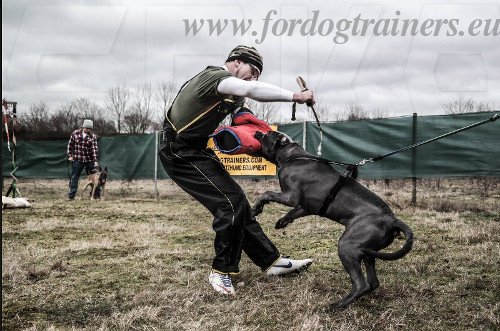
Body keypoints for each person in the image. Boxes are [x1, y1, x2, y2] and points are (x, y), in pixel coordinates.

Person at [159, 45, 316, 295]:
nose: (254, 78)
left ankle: (271, 261)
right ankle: (221, 272)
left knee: (238, 202)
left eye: (257, 74)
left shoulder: (234, 92)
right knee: (229, 204)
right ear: (236, 62)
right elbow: (250, 89)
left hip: (197, 149)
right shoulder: (214, 78)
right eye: (252, 70)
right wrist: (295, 96)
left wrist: (264, 135)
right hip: (177, 151)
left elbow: (243, 114)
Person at [67, 119, 100, 200]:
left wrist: (95, 161)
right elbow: (70, 145)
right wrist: (69, 155)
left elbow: (94, 149)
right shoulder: (75, 133)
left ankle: (96, 195)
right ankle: (71, 196)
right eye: (87, 128)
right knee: (75, 177)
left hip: (89, 160)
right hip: (78, 159)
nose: (88, 130)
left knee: (95, 177)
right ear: (83, 127)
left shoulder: (93, 136)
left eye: (90, 129)